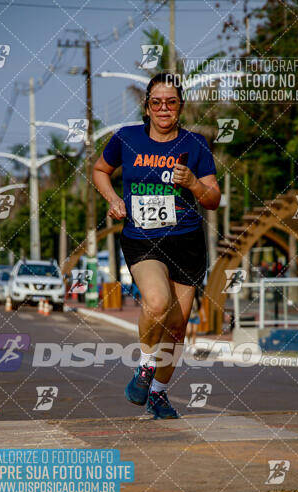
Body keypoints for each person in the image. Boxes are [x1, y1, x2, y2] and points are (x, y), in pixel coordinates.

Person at [93, 72, 220, 419]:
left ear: (180, 107)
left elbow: (212, 199)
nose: (164, 108)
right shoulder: (127, 138)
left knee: (177, 327)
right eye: (156, 102)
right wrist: (113, 199)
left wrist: (193, 183)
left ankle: (159, 395)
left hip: (187, 242)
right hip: (143, 238)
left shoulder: (194, 145)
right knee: (157, 301)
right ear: (146, 107)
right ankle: (146, 367)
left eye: (171, 102)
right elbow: (100, 170)